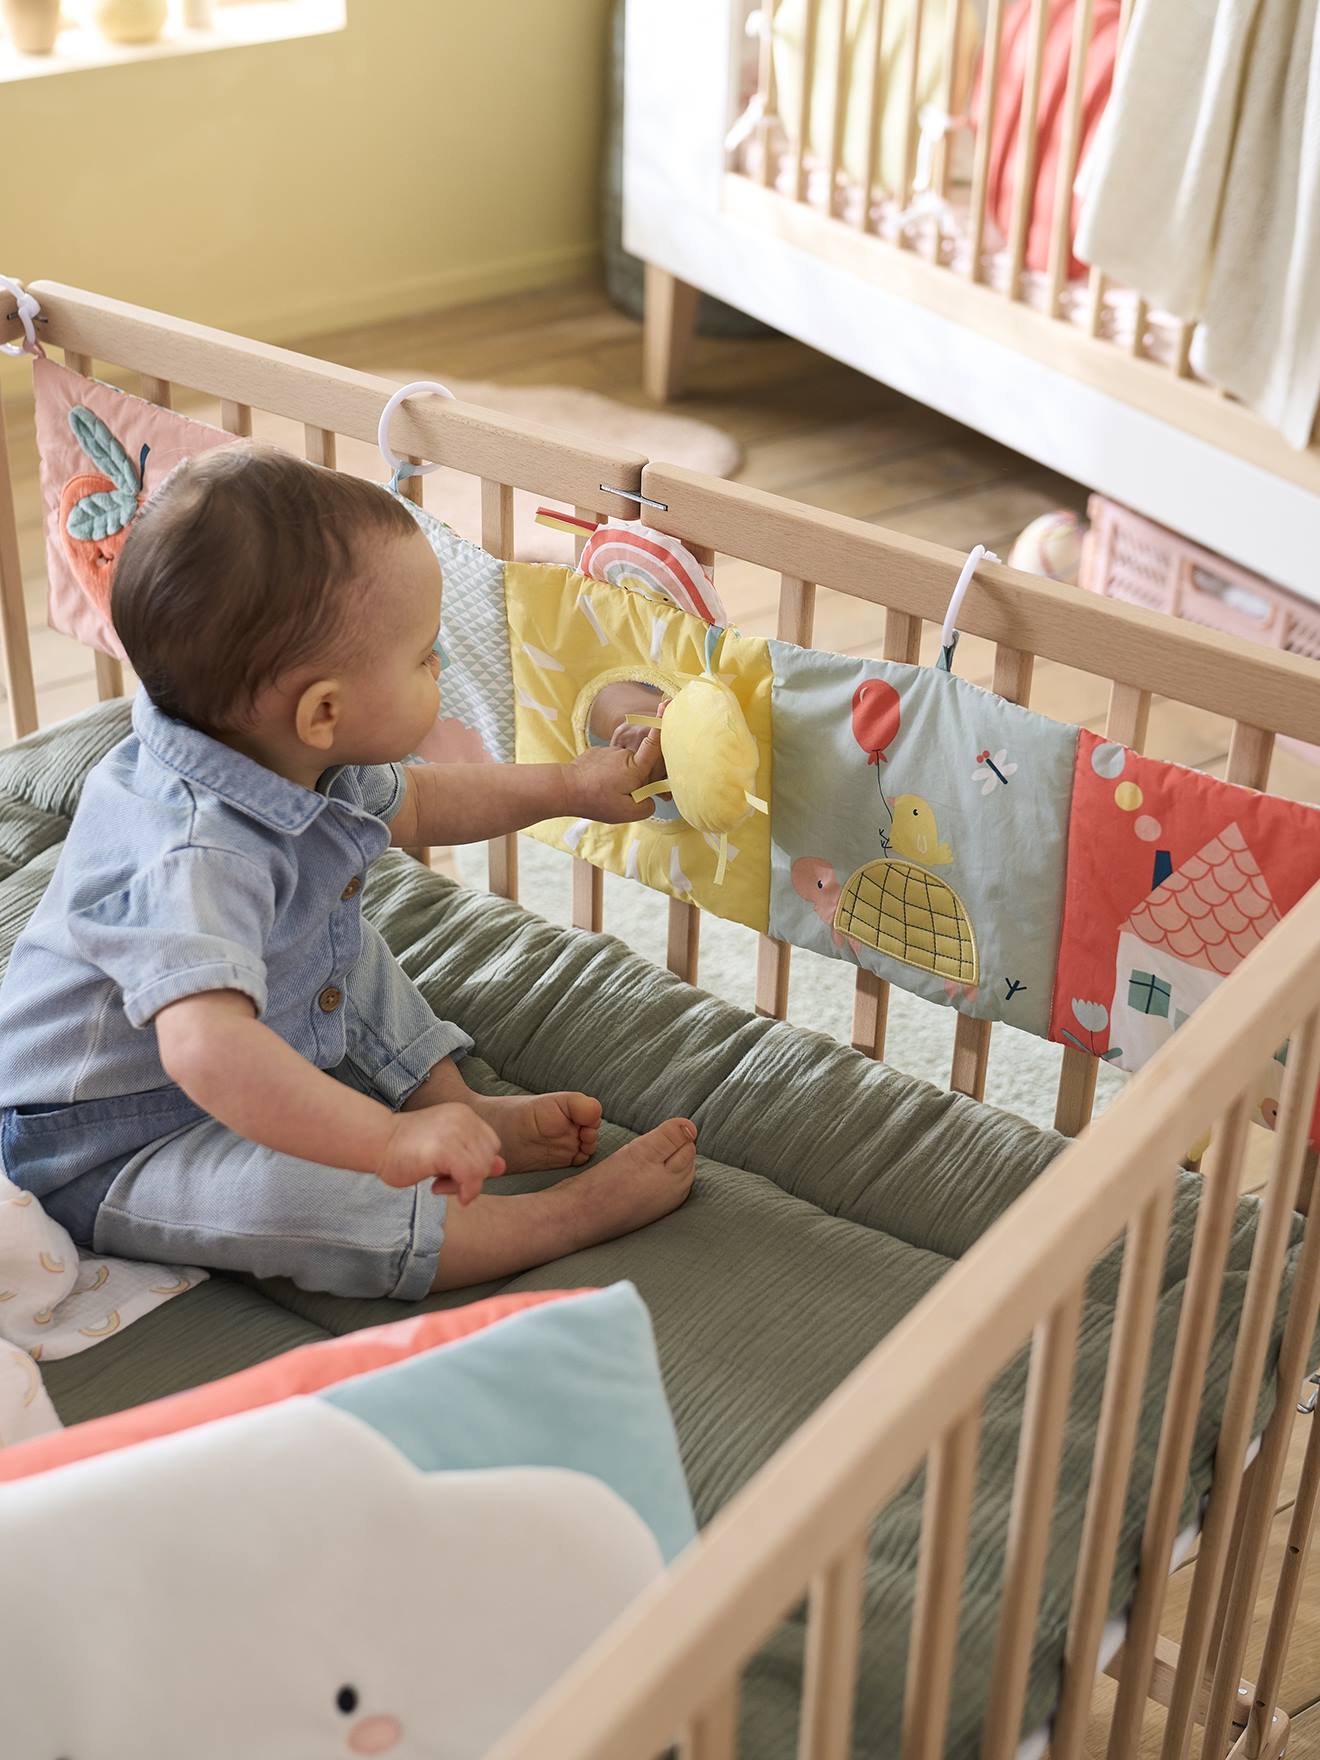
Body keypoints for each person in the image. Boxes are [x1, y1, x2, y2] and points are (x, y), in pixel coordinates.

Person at [0, 446, 696, 1301]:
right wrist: (381, 1145)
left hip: (224, 1045)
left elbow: (423, 805)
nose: (440, 669)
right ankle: (556, 1220)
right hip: (104, 1141)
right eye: (424, 657)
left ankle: (452, 1101)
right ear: (322, 710)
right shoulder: (192, 853)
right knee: (292, 1197)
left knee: (338, 938)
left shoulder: (284, 753)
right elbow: (206, 1052)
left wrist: (569, 787)